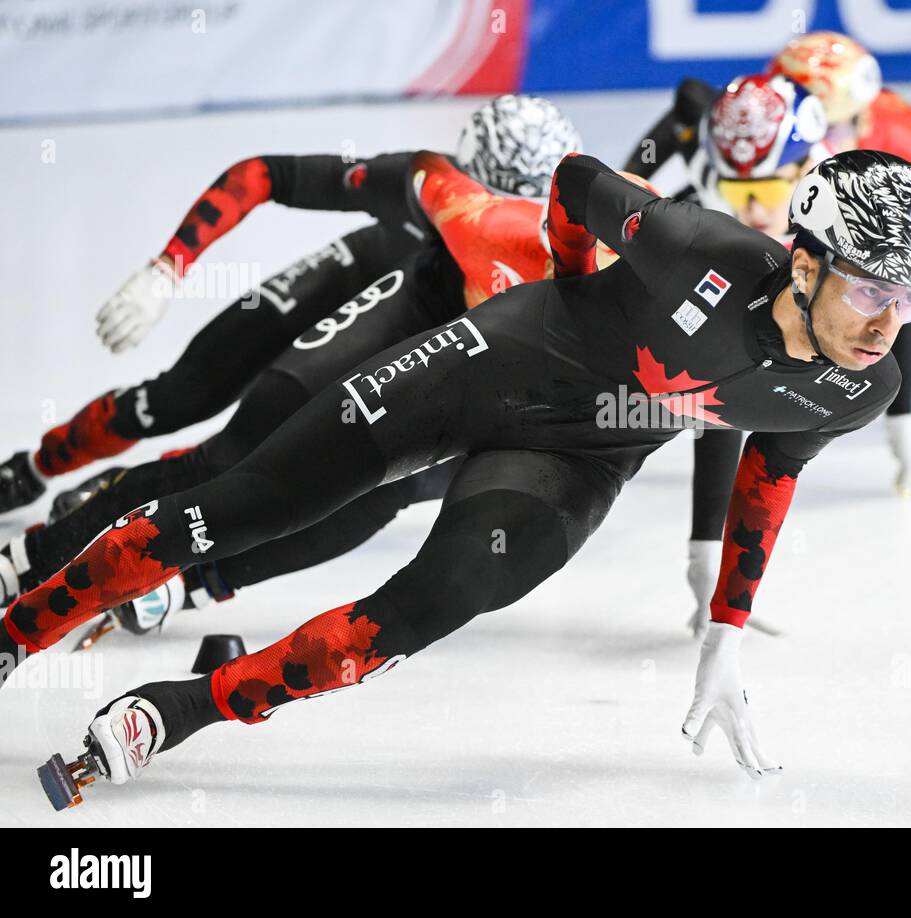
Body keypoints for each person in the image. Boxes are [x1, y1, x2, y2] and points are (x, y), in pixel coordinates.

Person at [5, 148, 911, 798]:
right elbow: (576, 182)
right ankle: (15, 633)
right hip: (496, 358)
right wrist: (572, 283)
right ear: (804, 263)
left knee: (426, 605)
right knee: (239, 506)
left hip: (577, 460)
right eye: (870, 288)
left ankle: (182, 712)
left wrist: (725, 634)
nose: (886, 322)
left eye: (908, 297)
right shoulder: (701, 250)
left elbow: (768, 478)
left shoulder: (859, 389)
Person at [0, 96, 582, 622]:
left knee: (377, 489)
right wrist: (168, 267)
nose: (503, 228)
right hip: (399, 287)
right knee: (196, 411)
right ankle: (39, 483)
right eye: (487, 205)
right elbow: (267, 174)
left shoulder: (601, 268)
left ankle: (192, 580)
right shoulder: (443, 195)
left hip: (477, 366)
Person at [627, 30, 911, 497]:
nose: (840, 140)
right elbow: (689, 102)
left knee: (866, 284)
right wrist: (632, 184)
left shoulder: (904, 156)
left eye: (842, 126)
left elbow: (894, 292)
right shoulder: (751, 124)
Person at [625, 72, 830, 635]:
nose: (757, 211)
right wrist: (633, 176)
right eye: (740, 194)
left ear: (804, 173)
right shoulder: (703, 168)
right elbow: (689, 94)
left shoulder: (833, 203)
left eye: (768, 193)